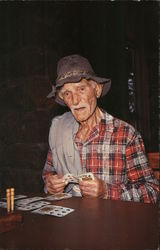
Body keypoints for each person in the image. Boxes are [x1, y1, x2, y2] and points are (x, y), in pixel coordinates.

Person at [42, 54, 159, 203]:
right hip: (71, 223)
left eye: (81, 89)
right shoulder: (58, 130)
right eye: (67, 93)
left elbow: (152, 192)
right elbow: (48, 174)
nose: (75, 100)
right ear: (63, 99)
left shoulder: (126, 135)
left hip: (112, 223)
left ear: (96, 90)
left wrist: (106, 191)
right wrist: (50, 185)